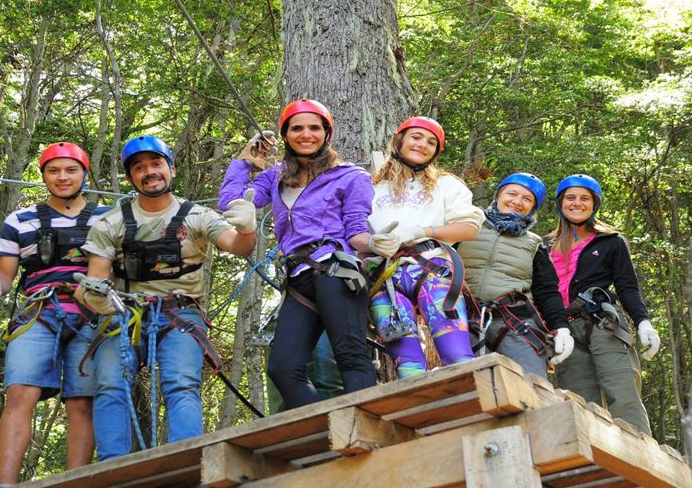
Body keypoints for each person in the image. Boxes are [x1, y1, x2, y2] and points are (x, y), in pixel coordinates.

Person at [74, 135, 256, 460]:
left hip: (180, 314)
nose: (149, 172)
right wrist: (95, 296)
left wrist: (247, 230)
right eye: (139, 168)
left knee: (181, 383)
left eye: (156, 164)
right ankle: (113, 467)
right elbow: (97, 278)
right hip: (124, 313)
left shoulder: (196, 216)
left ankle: (186, 463)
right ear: (131, 178)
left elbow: (238, 246)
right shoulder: (110, 222)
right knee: (110, 384)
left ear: (171, 169)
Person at [219, 99, 377, 409]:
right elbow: (232, 202)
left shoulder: (350, 176)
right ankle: (323, 428)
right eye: (297, 128)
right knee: (283, 368)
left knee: (350, 355)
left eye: (314, 128)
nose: (306, 134)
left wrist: (377, 243)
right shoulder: (276, 176)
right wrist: (245, 162)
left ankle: (366, 423)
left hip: (336, 269)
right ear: (286, 135)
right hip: (297, 278)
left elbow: (356, 231)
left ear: (326, 133)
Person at [0, 142, 108, 486]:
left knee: (82, 400)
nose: (62, 177)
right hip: (38, 310)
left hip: (90, 313)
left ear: (84, 174)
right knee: (20, 392)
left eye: (70, 170)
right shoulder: (19, 220)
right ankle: (7, 483)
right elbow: (5, 276)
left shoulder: (108, 217)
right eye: (54, 171)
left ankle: (76, 480)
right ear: (44, 176)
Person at [366, 116, 484, 379]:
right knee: (407, 365)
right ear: (400, 140)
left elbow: (469, 228)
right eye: (416, 137)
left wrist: (421, 231)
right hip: (384, 279)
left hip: (432, 271)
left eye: (431, 142)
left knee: (457, 356)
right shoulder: (371, 187)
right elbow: (355, 230)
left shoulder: (446, 185)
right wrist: (371, 245)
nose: (422, 145)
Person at [546, 174, 660, 435]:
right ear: (560, 203)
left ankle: (639, 464)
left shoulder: (610, 241)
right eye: (570, 198)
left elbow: (627, 287)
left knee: (623, 391)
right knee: (579, 402)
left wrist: (643, 323)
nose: (577, 203)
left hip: (602, 321)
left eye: (584, 198)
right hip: (563, 329)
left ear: (594, 204)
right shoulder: (544, 246)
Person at [457, 173, 574, 378]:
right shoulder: (466, 226)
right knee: (465, 387)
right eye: (512, 194)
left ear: (532, 208)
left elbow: (547, 292)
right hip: (463, 316)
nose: (517, 202)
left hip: (513, 321)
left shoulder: (535, 245)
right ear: (499, 195)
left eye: (527, 199)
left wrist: (561, 327)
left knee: (532, 385)